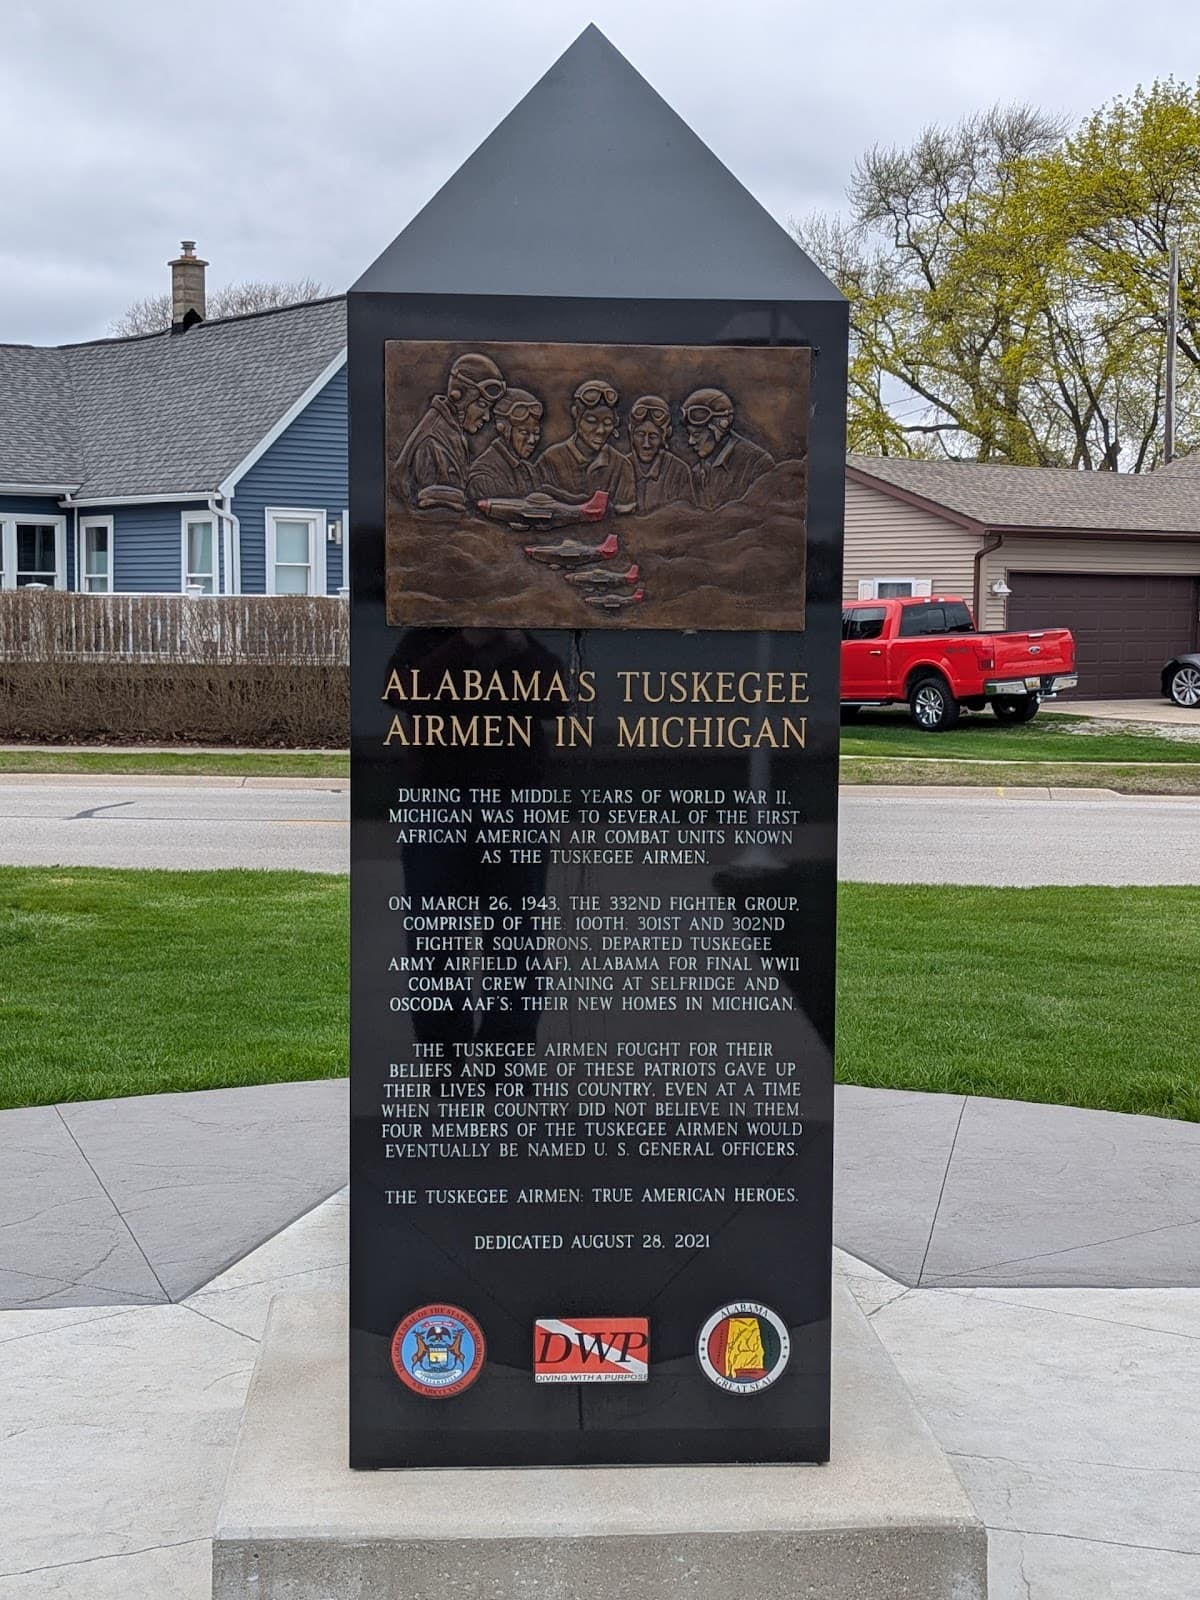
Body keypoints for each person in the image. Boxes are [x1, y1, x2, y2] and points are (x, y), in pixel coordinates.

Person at [392, 353, 506, 509]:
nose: (487, 417)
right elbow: (437, 519)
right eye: (482, 405)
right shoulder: (434, 443)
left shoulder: (450, 433)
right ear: (459, 397)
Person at [536, 379, 636, 513]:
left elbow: (628, 522)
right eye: (591, 421)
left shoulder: (622, 466)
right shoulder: (550, 460)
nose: (600, 430)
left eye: (607, 423)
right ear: (577, 416)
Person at [681, 387, 774, 510]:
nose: (691, 441)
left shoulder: (757, 463)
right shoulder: (697, 472)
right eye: (690, 434)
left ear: (719, 427)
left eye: (697, 435)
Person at [467, 389, 544, 504]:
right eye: (524, 432)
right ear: (504, 430)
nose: (532, 440)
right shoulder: (484, 477)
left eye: (536, 433)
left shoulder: (529, 471)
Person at [626, 394, 694, 512]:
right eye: (640, 435)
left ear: (666, 435)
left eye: (653, 436)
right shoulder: (621, 467)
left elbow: (688, 520)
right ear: (631, 433)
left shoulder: (679, 470)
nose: (646, 444)